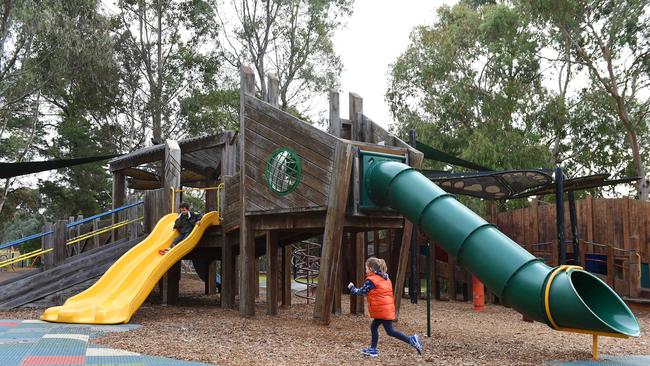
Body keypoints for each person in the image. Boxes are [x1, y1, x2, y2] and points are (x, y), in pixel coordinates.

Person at [348, 257, 423, 358]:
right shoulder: (385, 277)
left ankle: (411, 340)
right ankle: (373, 349)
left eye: (366, 268)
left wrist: (352, 287)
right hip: (385, 308)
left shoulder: (371, 280)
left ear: (370, 268)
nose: (365, 270)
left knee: (390, 331)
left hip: (383, 310)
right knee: (374, 326)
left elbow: (361, 292)